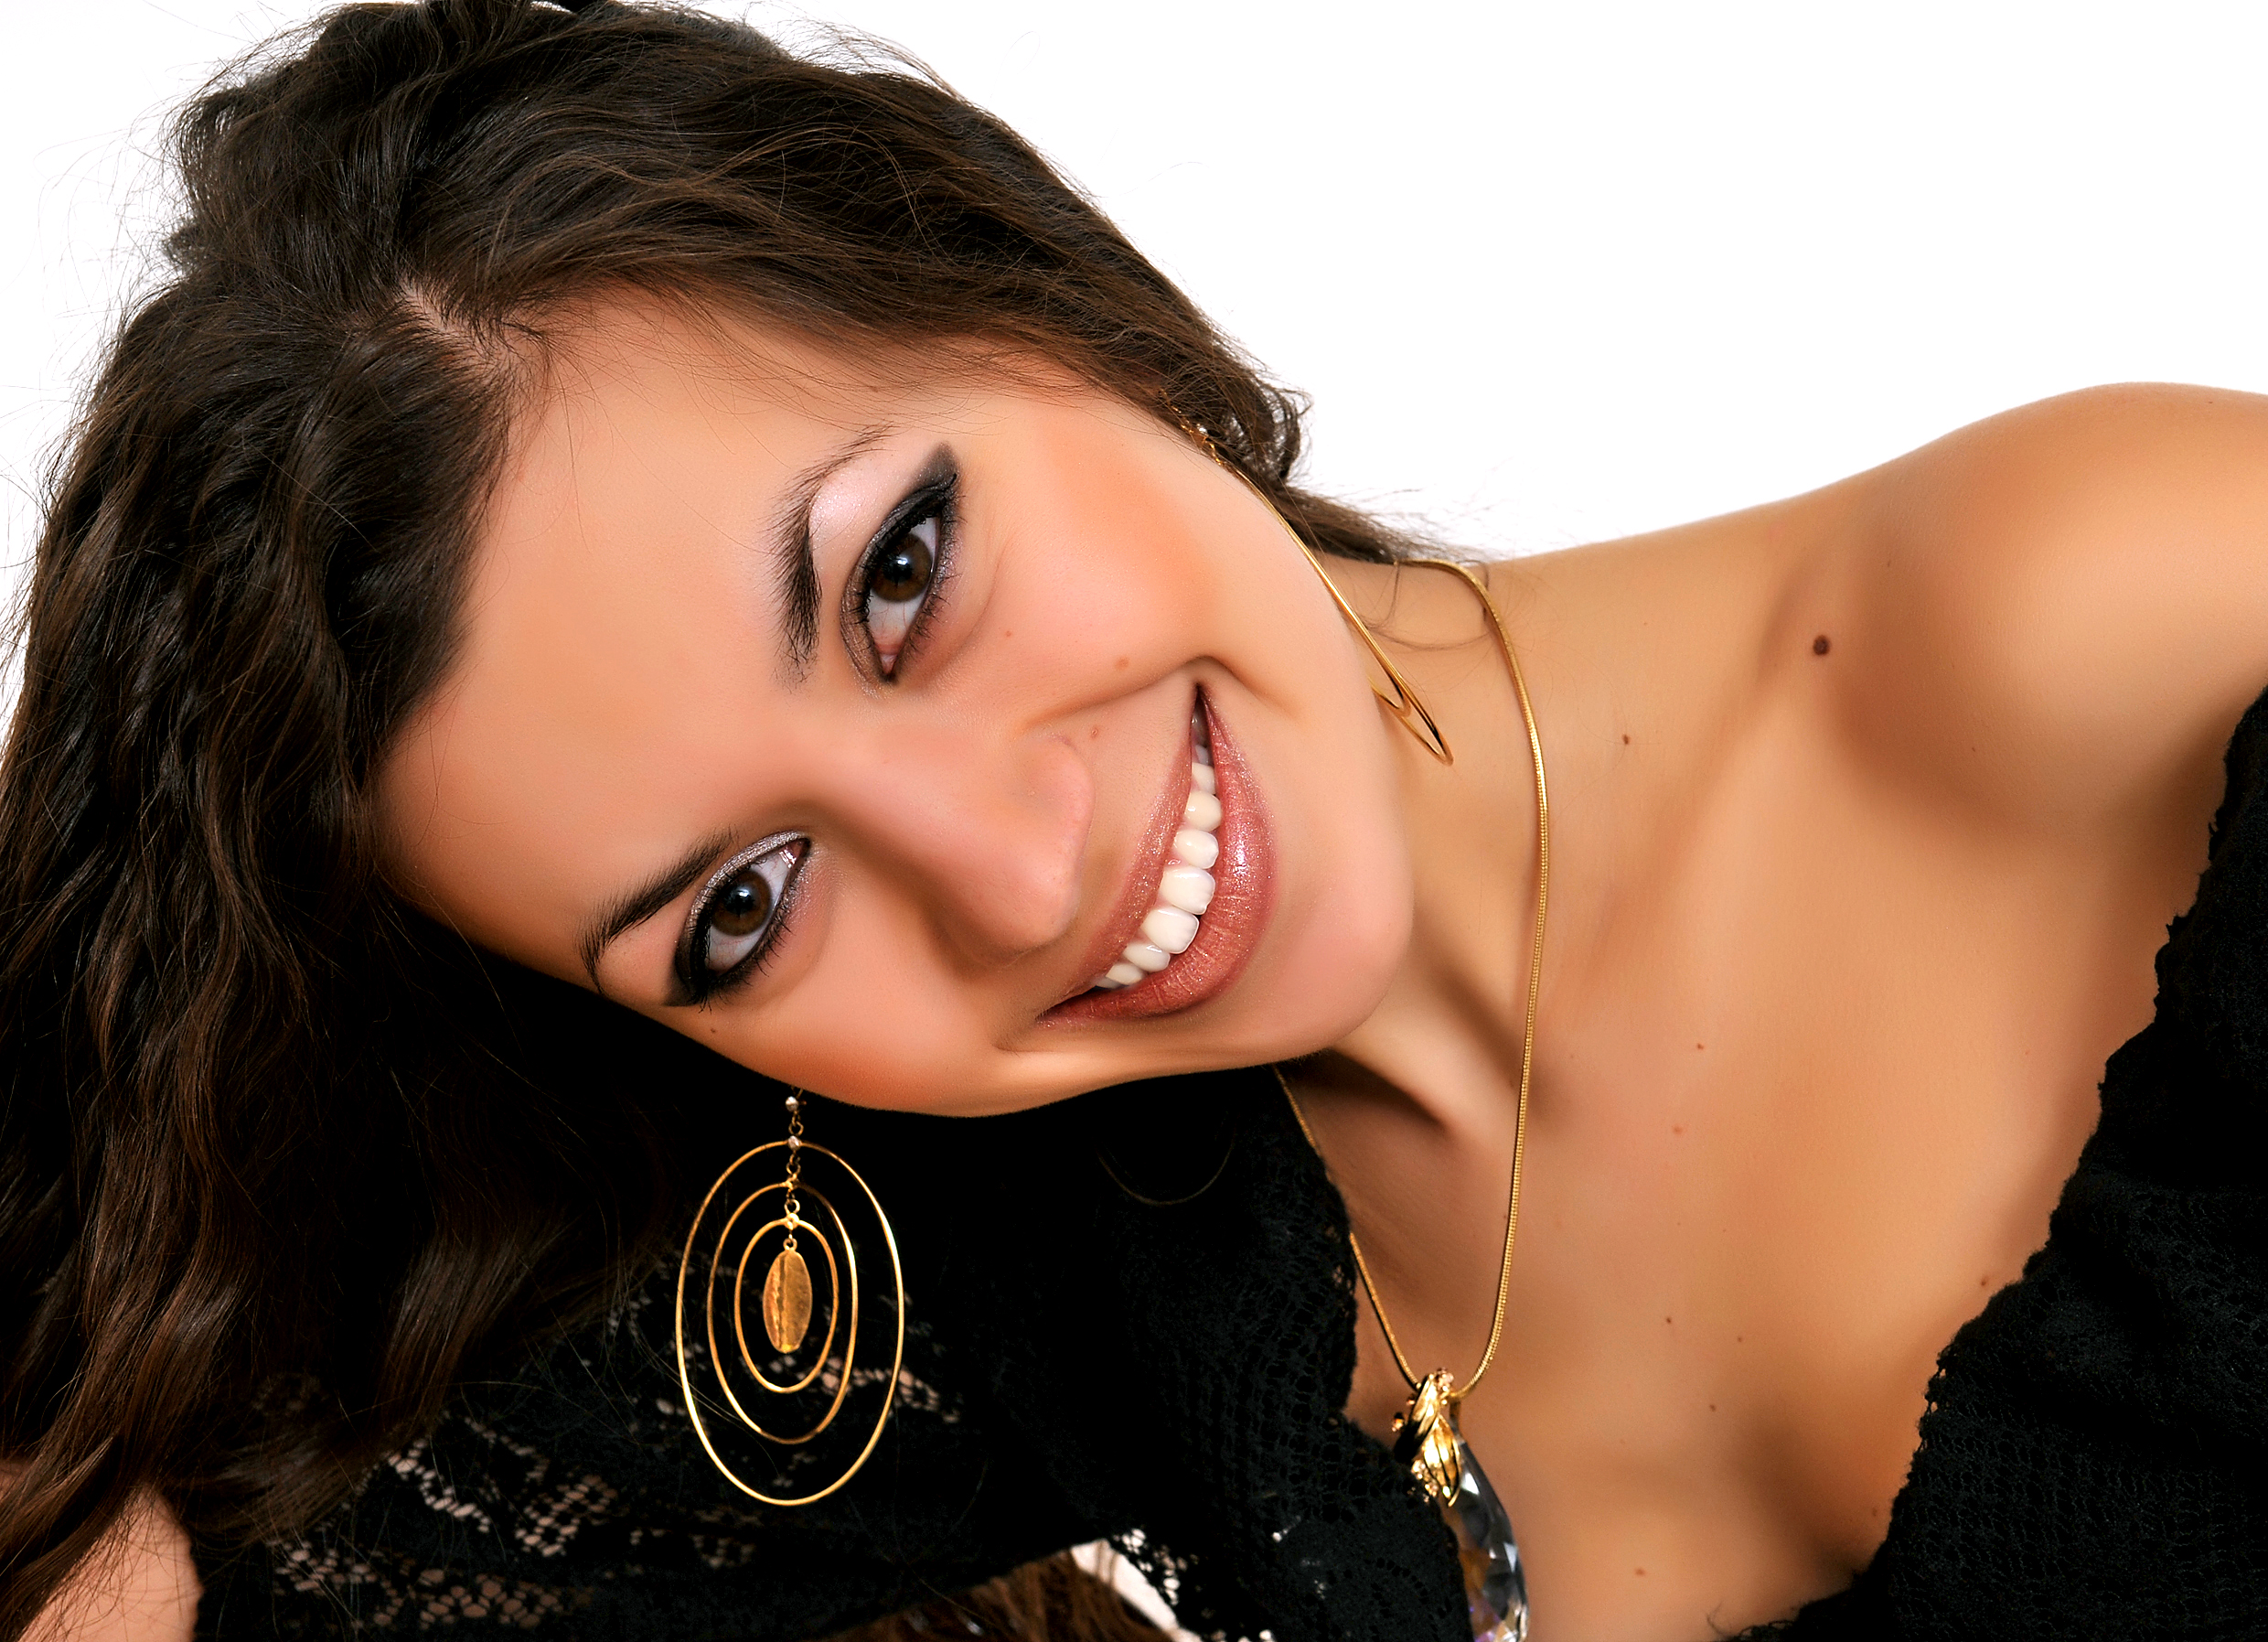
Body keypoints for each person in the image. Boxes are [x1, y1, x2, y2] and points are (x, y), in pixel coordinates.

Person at [2, 1, 2263, 1638]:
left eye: (900, 575)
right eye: (743, 909)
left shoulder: (2122, 646)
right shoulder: (1004, 1257)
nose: (1012, 879)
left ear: (1017, 291)